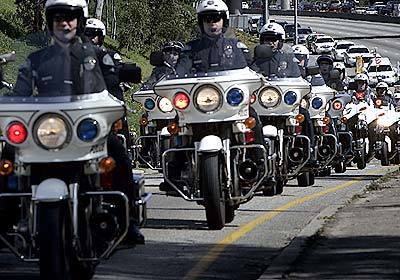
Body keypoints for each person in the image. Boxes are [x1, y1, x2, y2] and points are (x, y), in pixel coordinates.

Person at [13, 1, 144, 244]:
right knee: (9, 156)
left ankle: (130, 221)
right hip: (49, 131)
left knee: (118, 154)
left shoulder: (98, 56)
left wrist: (114, 104)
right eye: (57, 17)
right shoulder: (36, 59)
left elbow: (112, 88)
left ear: (79, 21)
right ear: (50, 22)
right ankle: (7, 216)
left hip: (86, 131)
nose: (64, 22)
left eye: (70, 17)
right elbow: (18, 94)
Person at [176, 0, 250, 75]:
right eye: (207, 19)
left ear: (224, 21)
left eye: (216, 18)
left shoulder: (235, 46)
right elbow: (180, 74)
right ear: (201, 23)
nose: (212, 23)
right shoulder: (191, 49)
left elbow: (245, 74)